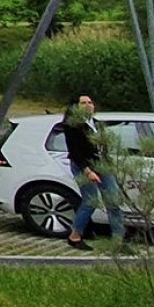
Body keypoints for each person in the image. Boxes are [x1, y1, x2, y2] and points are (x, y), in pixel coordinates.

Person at [64, 94, 125, 249]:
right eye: (83, 103)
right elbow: (75, 152)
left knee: (113, 201)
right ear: (75, 107)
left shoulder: (96, 124)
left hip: (102, 165)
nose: (88, 105)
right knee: (90, 201)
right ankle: (75, 236)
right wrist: (87, 171)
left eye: (90, 102)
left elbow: (103, 148)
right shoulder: (72, 126)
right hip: (84, 166)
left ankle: (118, 240)